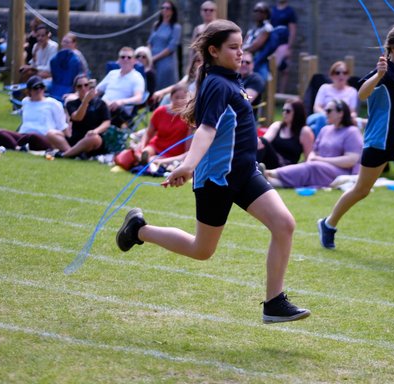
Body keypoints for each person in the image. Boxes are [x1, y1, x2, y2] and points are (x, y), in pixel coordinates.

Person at [115, 19, 310, 324]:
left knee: (284, 224)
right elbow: (206, 130)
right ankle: (139, 230)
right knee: (202, 249)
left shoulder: (230, 79)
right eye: (233, 47)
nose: (241, 53)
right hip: (217, 179)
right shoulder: (218, 83)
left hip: (244, 174)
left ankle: (274, 302)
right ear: (214, 51)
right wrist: (189, 165)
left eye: (242, 47)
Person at [318, 25, 394, 247]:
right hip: (380, 141)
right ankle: (328, 223)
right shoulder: (383, 73)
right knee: (361, 190)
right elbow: (363, 93)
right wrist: (379, 74)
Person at [264, 99, 361, 188]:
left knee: (312, 167)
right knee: (309, 168)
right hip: (319, 167)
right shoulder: (325, 130)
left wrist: (321, 160)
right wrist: (312, 158)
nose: (325, 113)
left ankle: (270, 173)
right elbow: (313, 151)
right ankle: (269, 181)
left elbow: (351, 160)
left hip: (340, 171)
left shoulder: (352, 132)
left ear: (340, 113)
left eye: (328, 111)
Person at [0, 76, 68, 151]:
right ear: (29, 91)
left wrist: (67, 141)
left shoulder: (53, 103)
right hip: (23, 135)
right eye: (35, 88)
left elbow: (62, 126)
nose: (39, 90)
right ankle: (17, 148)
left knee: (32, 136)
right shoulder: (26, 102)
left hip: (42, 136)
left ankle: (9, 144)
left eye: (41, 87)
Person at [46, 74, 111, 159]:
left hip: (91, 138)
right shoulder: (71, 103)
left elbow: (107, 122)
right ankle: (73, 153)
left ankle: (65, 155)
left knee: (94, 138)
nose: (83, 88)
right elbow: (77, 117)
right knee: (51, 133)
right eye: (79, 86)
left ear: (89, 86)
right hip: (76, 138)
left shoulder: (100, 103)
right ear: (76, 89)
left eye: (86, 85)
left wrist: (96, 131)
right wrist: (85, 101)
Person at [134, 84, 191, 168]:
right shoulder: (160, 111)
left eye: (183, 98)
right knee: (145, 151)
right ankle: (147, 159)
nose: (179, 101)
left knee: (156, 159)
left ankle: (153, 161)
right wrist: (142, 145)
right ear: (170, 98)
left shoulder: (189, 117)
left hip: (175, 152)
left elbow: (188, 146)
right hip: (156, 145)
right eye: (177, 97)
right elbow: (148, 133)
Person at [257, 98, 314, 170]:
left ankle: (251, 169)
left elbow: (309, 158)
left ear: (297, 112)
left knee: (262, 141)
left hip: (287, 168)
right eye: (283, 110)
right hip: (271, 162)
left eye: (288, 111)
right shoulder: (277, 126)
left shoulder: (304, 131)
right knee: (261, 141)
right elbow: (264, 141)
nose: (284, 113)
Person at [306, 60, 358, 137]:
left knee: (313, 129)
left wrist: (337, 117)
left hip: (340, 119)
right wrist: (328, 116)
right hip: (321, 117)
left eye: (345, 73)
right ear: (331, 75)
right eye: (338, 73)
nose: (341, 75)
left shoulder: (352, 91)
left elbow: (352, 112)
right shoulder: (324, 88)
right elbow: (316, 107)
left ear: (348, 76)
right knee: (321, 118)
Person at [95, 46, 145, 127]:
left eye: (129, 57)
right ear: (118, 60)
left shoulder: (137, 77)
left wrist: (121, 102)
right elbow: (97, 91)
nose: (125, 59)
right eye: (122, 57)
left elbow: (138, 98)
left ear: (134, 61)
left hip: (119, 112)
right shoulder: (112, 73)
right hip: (103, 105)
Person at [148, 0, 181, 90]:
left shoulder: (175, 27)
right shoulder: (156, 25)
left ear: (172, 11)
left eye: (167, 8)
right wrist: (148, 57)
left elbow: (171, 47)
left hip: (165, 62)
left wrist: (154, 58)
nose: (165, 10)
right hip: (152, 62)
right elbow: (150, 42)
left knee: (163, 87)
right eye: (163, 8)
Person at [270, 0, 297, 93]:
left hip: (284, 45)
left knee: (285, 70)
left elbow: (292, 30)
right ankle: (271, 94)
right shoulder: (273, 11)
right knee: (272, 69)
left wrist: (289, 47)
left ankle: (281, 94)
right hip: (272, 44)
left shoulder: (290, 12)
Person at [243, 2, 273, 81]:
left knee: (260, 82)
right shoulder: (252, 29)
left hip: (259, 60)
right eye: (255, 10)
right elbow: (244, 42)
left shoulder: (267, 28)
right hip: (246, 59)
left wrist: (241, 51)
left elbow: (255, 46)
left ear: (266, 14)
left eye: (261, 11)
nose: (257, 13)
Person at [239, 52, 265, 117]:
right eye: (241, 62)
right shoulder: (235, 77)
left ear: (252, 65)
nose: (244, 64)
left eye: (247, 62)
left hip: (247, 121)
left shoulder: (256, 79)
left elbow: (245, 100)